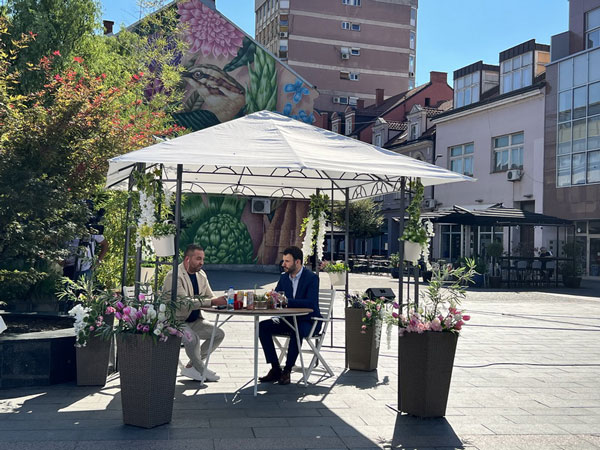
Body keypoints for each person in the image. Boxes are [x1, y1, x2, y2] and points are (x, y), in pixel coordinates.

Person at [162, 244, 227, 382]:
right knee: (192, 339)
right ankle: (201, 369)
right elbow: (184, 303)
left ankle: (192, 366)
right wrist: (212, 302)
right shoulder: (174, 276)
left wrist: (224, 301)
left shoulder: (201, 274)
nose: (201, 262)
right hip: (175, 321)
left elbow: (210, 296)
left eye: (202, 259)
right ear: (187, 259)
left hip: (195, 320)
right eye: (198, 259)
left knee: (218, 334)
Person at [258, 246, 321, 385]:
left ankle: (287, 370)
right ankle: (275, 368)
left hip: (309, 321)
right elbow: (278, 297)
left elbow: (311, 303)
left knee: (296, 330)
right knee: (262, 326)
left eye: (287, 261)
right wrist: (272, 298)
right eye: (283, 261)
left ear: (297, 262)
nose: (283, 264)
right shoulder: (284, 277)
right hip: (288, 320)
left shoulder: (312, 278)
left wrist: (287, 301)